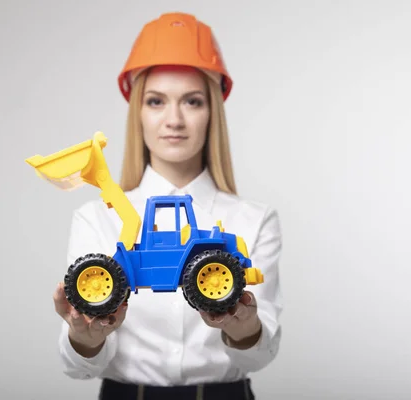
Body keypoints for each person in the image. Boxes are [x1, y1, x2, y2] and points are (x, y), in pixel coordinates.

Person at [51, 12, 283, 400]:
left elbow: (260, 357)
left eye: (192, 101)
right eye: (156, 101)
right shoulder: (97, 218)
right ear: (138, 112)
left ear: (212, 113)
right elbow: (77, 366)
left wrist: (243, 327)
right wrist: (84, 336)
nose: (174, 119)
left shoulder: (254, 220)